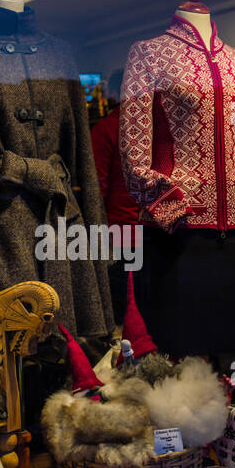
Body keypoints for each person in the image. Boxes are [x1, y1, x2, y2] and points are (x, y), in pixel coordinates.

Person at [89, 69, 138, 324]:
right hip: (156, 233)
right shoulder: (157, 128)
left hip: (120, 234)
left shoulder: (107, 128)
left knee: (124, 316)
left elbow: (96, 186)